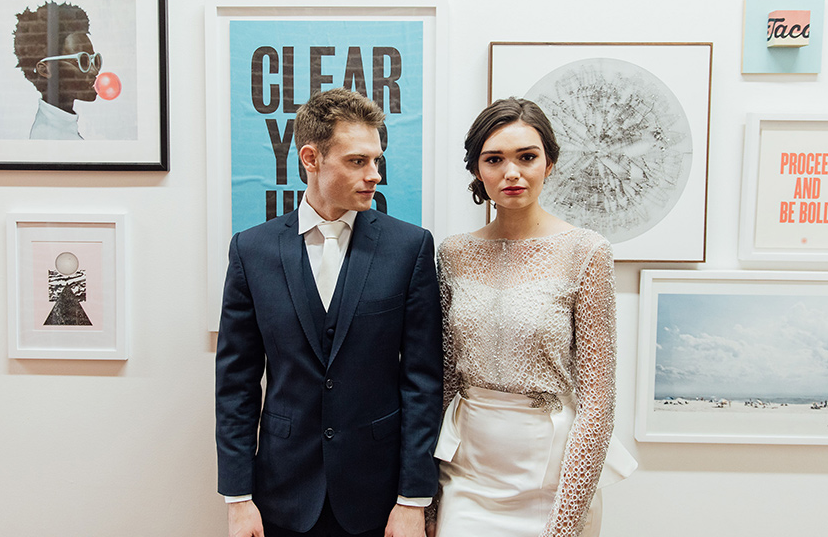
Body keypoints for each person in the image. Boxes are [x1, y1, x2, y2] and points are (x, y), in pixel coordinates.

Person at [215, 88, 444, 537]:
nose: (374, 174)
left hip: (378, 496)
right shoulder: (252, 250)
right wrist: (238, 497)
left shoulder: (410, 247)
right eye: (358, 161)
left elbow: (423, 381)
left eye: (377, 160)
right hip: (281, 493)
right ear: (311, 158)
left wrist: (413, 499)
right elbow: (236, 384)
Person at [430, 98, 636, 537]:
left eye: (527, 157)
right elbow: (445, 379)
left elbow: (598, 402)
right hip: (467, 468)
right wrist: (427, 501)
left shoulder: (586, 252)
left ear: (550, 163)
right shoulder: (452, 254)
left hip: (551, 469)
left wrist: (565, 520)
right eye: (494, 159)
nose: (511, 172)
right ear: (476, 170)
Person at [12, 1, 101, 139]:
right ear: (45, 70)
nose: (94, 71)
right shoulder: (50, 136)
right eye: (83, 61)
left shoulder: (62, 128)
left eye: (95, 60)